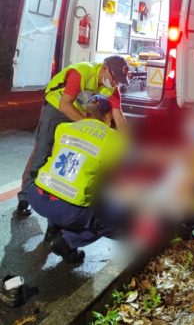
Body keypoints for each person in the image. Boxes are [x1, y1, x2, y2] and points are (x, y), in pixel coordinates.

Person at [15, 56, 129, 218]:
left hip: (77, 112)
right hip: (56, 109)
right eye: (114, 77)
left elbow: (118, 116)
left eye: (119, 80)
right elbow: (65, 104)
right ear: (104, 68)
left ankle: (61, 194)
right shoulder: (81, 71)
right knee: (42, 151)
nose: (115, 83)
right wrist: (87, 126)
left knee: (76, 152)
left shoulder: (111, 87)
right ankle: (25, 198)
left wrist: (128, 142)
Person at [24, 95, 127, 264]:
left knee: (63, 183)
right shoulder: (113, 139)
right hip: (65, 210)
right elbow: (115, 175)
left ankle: (52, 231)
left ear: (85, 113)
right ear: (108, 116)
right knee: (115, 218)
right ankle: (66, 241)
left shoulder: (64, 128)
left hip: (36, 196)